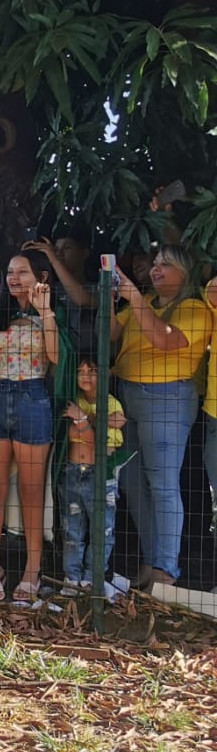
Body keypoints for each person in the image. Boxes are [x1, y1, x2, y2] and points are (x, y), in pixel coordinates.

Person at [113, 246, 211, 586]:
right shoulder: (148, 303)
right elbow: (111, 332)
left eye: (165, 264)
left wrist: (133, 298)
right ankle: (152, 560)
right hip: (128, 396)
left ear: (185, 273)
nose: (156, 269)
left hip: (167, 398)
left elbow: (163, 339)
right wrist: (114, 297)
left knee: (163, 485)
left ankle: (166, 571)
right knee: (132, 482)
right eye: (154, 263)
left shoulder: (194, 307)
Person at [0, 252, 60, 603]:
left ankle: (32, 571)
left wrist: (46, 310)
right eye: (9, 272)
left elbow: (54, 356)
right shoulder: (0, 311)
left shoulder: (48, 312)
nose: (14, 278)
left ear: (41, 276)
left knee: (33, 493)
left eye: (22, 272)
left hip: (33, 398)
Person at [60, 357, 125, 596]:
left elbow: (97, 436)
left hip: (101, 476)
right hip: (73, 472)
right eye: (80, 371)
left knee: (102, 529)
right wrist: (90, 423)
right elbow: (81, 434)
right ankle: (72, 578)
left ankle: (92, 578)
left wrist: (83, 420)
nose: (86, 375)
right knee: (72, 529)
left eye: (93, 370)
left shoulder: (112, 403)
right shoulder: (72, 401)